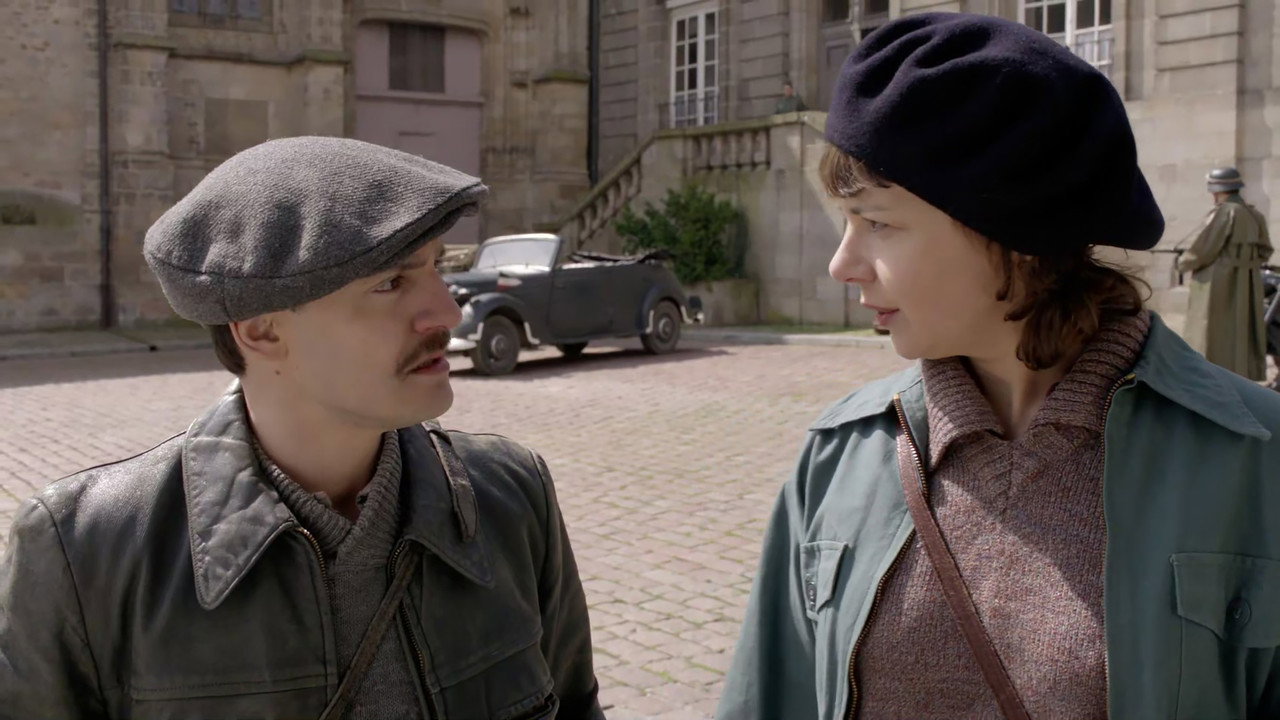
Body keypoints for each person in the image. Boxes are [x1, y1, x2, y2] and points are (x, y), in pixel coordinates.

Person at [718, 13, 1280, 720]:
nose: (842, 264)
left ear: (1015, 234)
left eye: (878, 222)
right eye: (847, 221)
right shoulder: (840, 457)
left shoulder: (1255, 463)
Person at [0, 137, 604, 719]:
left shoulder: (510, 495)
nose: (447, 312)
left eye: (437, 268)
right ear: (261, 330)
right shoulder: (87, 552)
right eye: (391, 282)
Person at [1176, 167, 1274, 381]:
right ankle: (1241, 375)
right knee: (1241, 332)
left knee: (1211, 331)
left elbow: (1204, 248)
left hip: (1218, 282)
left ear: (1217, 189)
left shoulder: (1224, 213)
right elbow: (1266, 250)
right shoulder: (1255, 215)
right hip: (1247, 281)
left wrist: (1183, 263)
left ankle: (1210, 377)